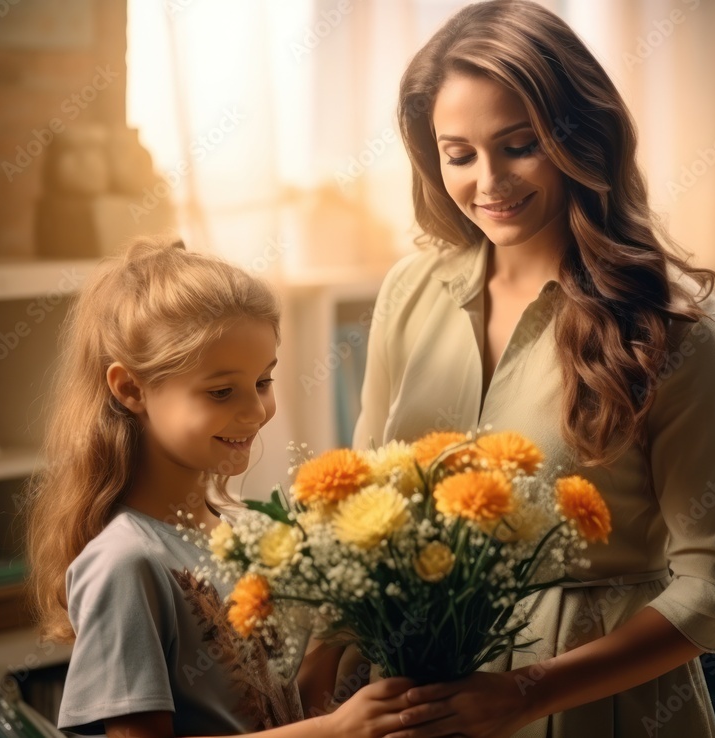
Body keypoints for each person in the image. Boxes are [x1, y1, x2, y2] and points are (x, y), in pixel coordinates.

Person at [352, 2, 715, 736]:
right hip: (420, 705)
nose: (488, 181)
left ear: (580, 137)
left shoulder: (676, 325)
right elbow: (363, 512)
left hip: (605, 712)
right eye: (459, 153)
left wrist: (528, 692)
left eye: (519, 144)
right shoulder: (407, 293)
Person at [26, 238, 443, 738]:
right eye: (221, 391)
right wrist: (337, 731)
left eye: (263, 382)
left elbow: (284, 711)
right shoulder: (126, 563)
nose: (255, 412)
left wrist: (339, 627)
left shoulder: (252, 527)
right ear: (131, 389)